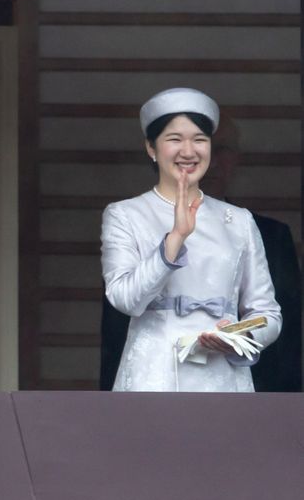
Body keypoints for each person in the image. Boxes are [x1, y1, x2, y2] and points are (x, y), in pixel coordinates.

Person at [99, 113, 302, 392]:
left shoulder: (240, 220)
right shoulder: (125, 214)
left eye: (200, 140)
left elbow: (268, 314)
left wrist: (237, 337)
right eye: (174, 139)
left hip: (224, 378)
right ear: (151, 147)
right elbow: (124, 300)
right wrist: (175, 238)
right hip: (153, 375)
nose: (188, 151)